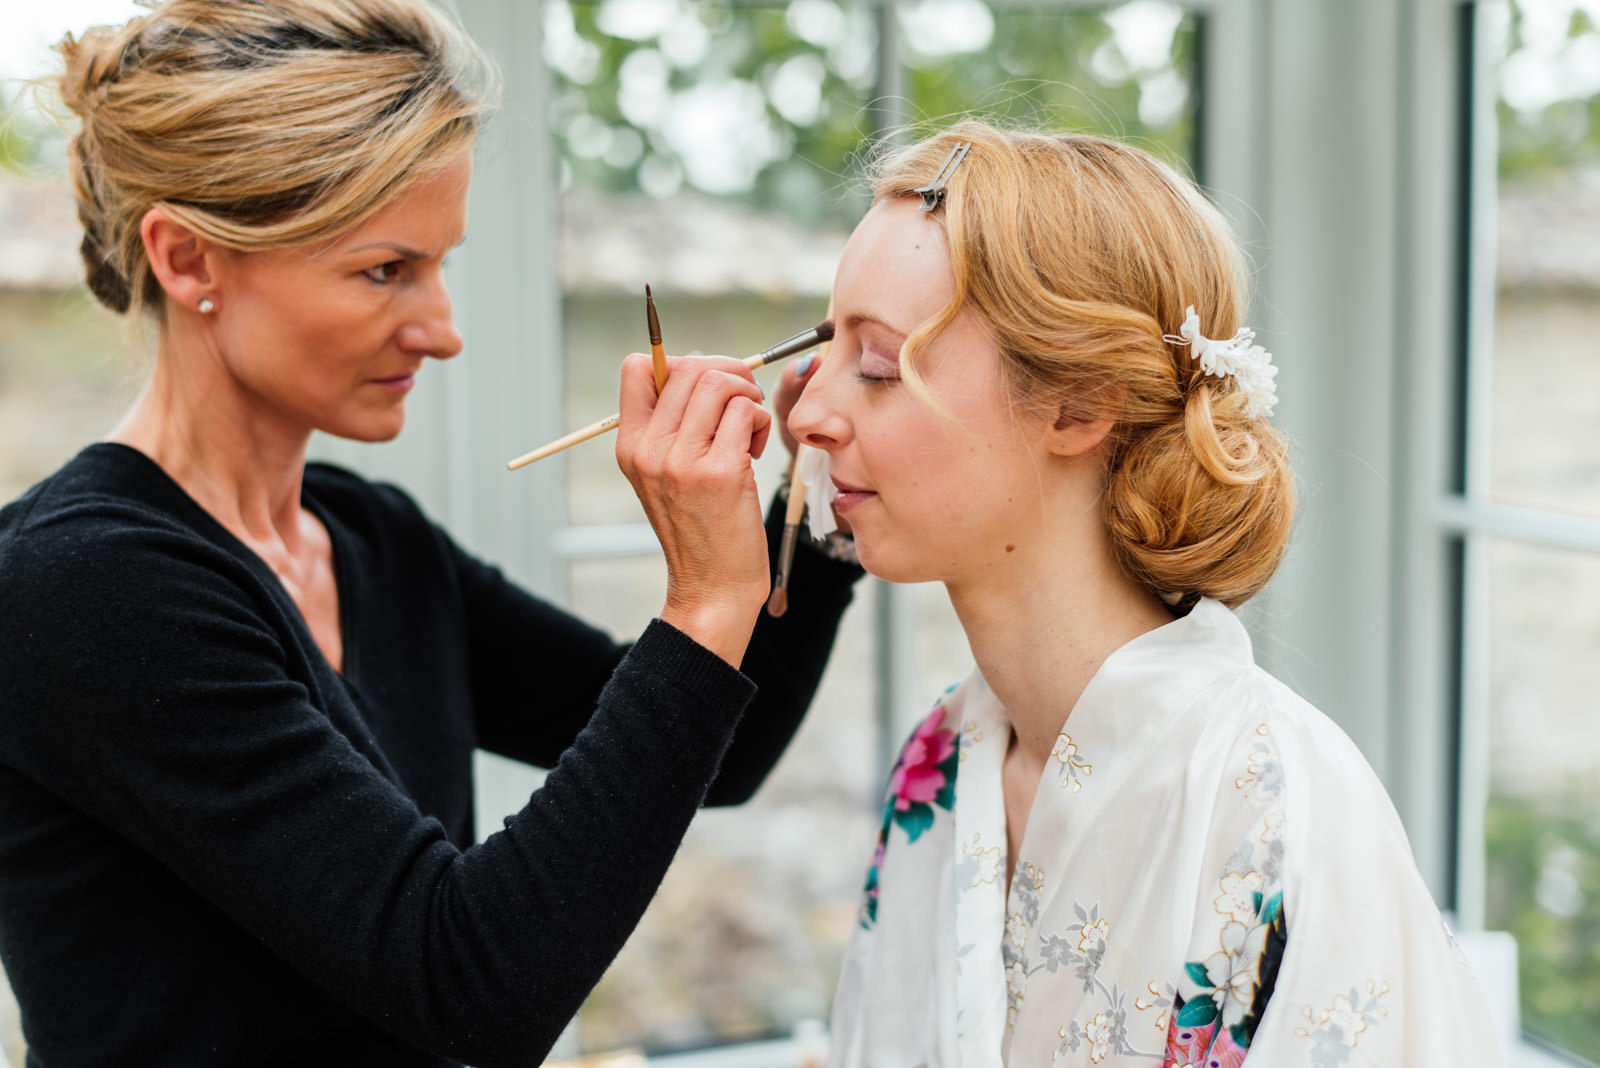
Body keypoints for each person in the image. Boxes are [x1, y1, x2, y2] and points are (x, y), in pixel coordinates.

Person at [0, 2, 862, 1065]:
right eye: (384, 270)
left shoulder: (372, 538)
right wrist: (702, 597)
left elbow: (718, 754)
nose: (444, 331)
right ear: (188, 261)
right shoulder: (85, 587)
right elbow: (468, 984)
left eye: (441, 265)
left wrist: (820, 502)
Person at [788, 122, 1499, 1066]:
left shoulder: (1280, 812)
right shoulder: (939, 761)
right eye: (822, 347)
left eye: (877, 365)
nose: (805, 412)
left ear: (1078, 405)